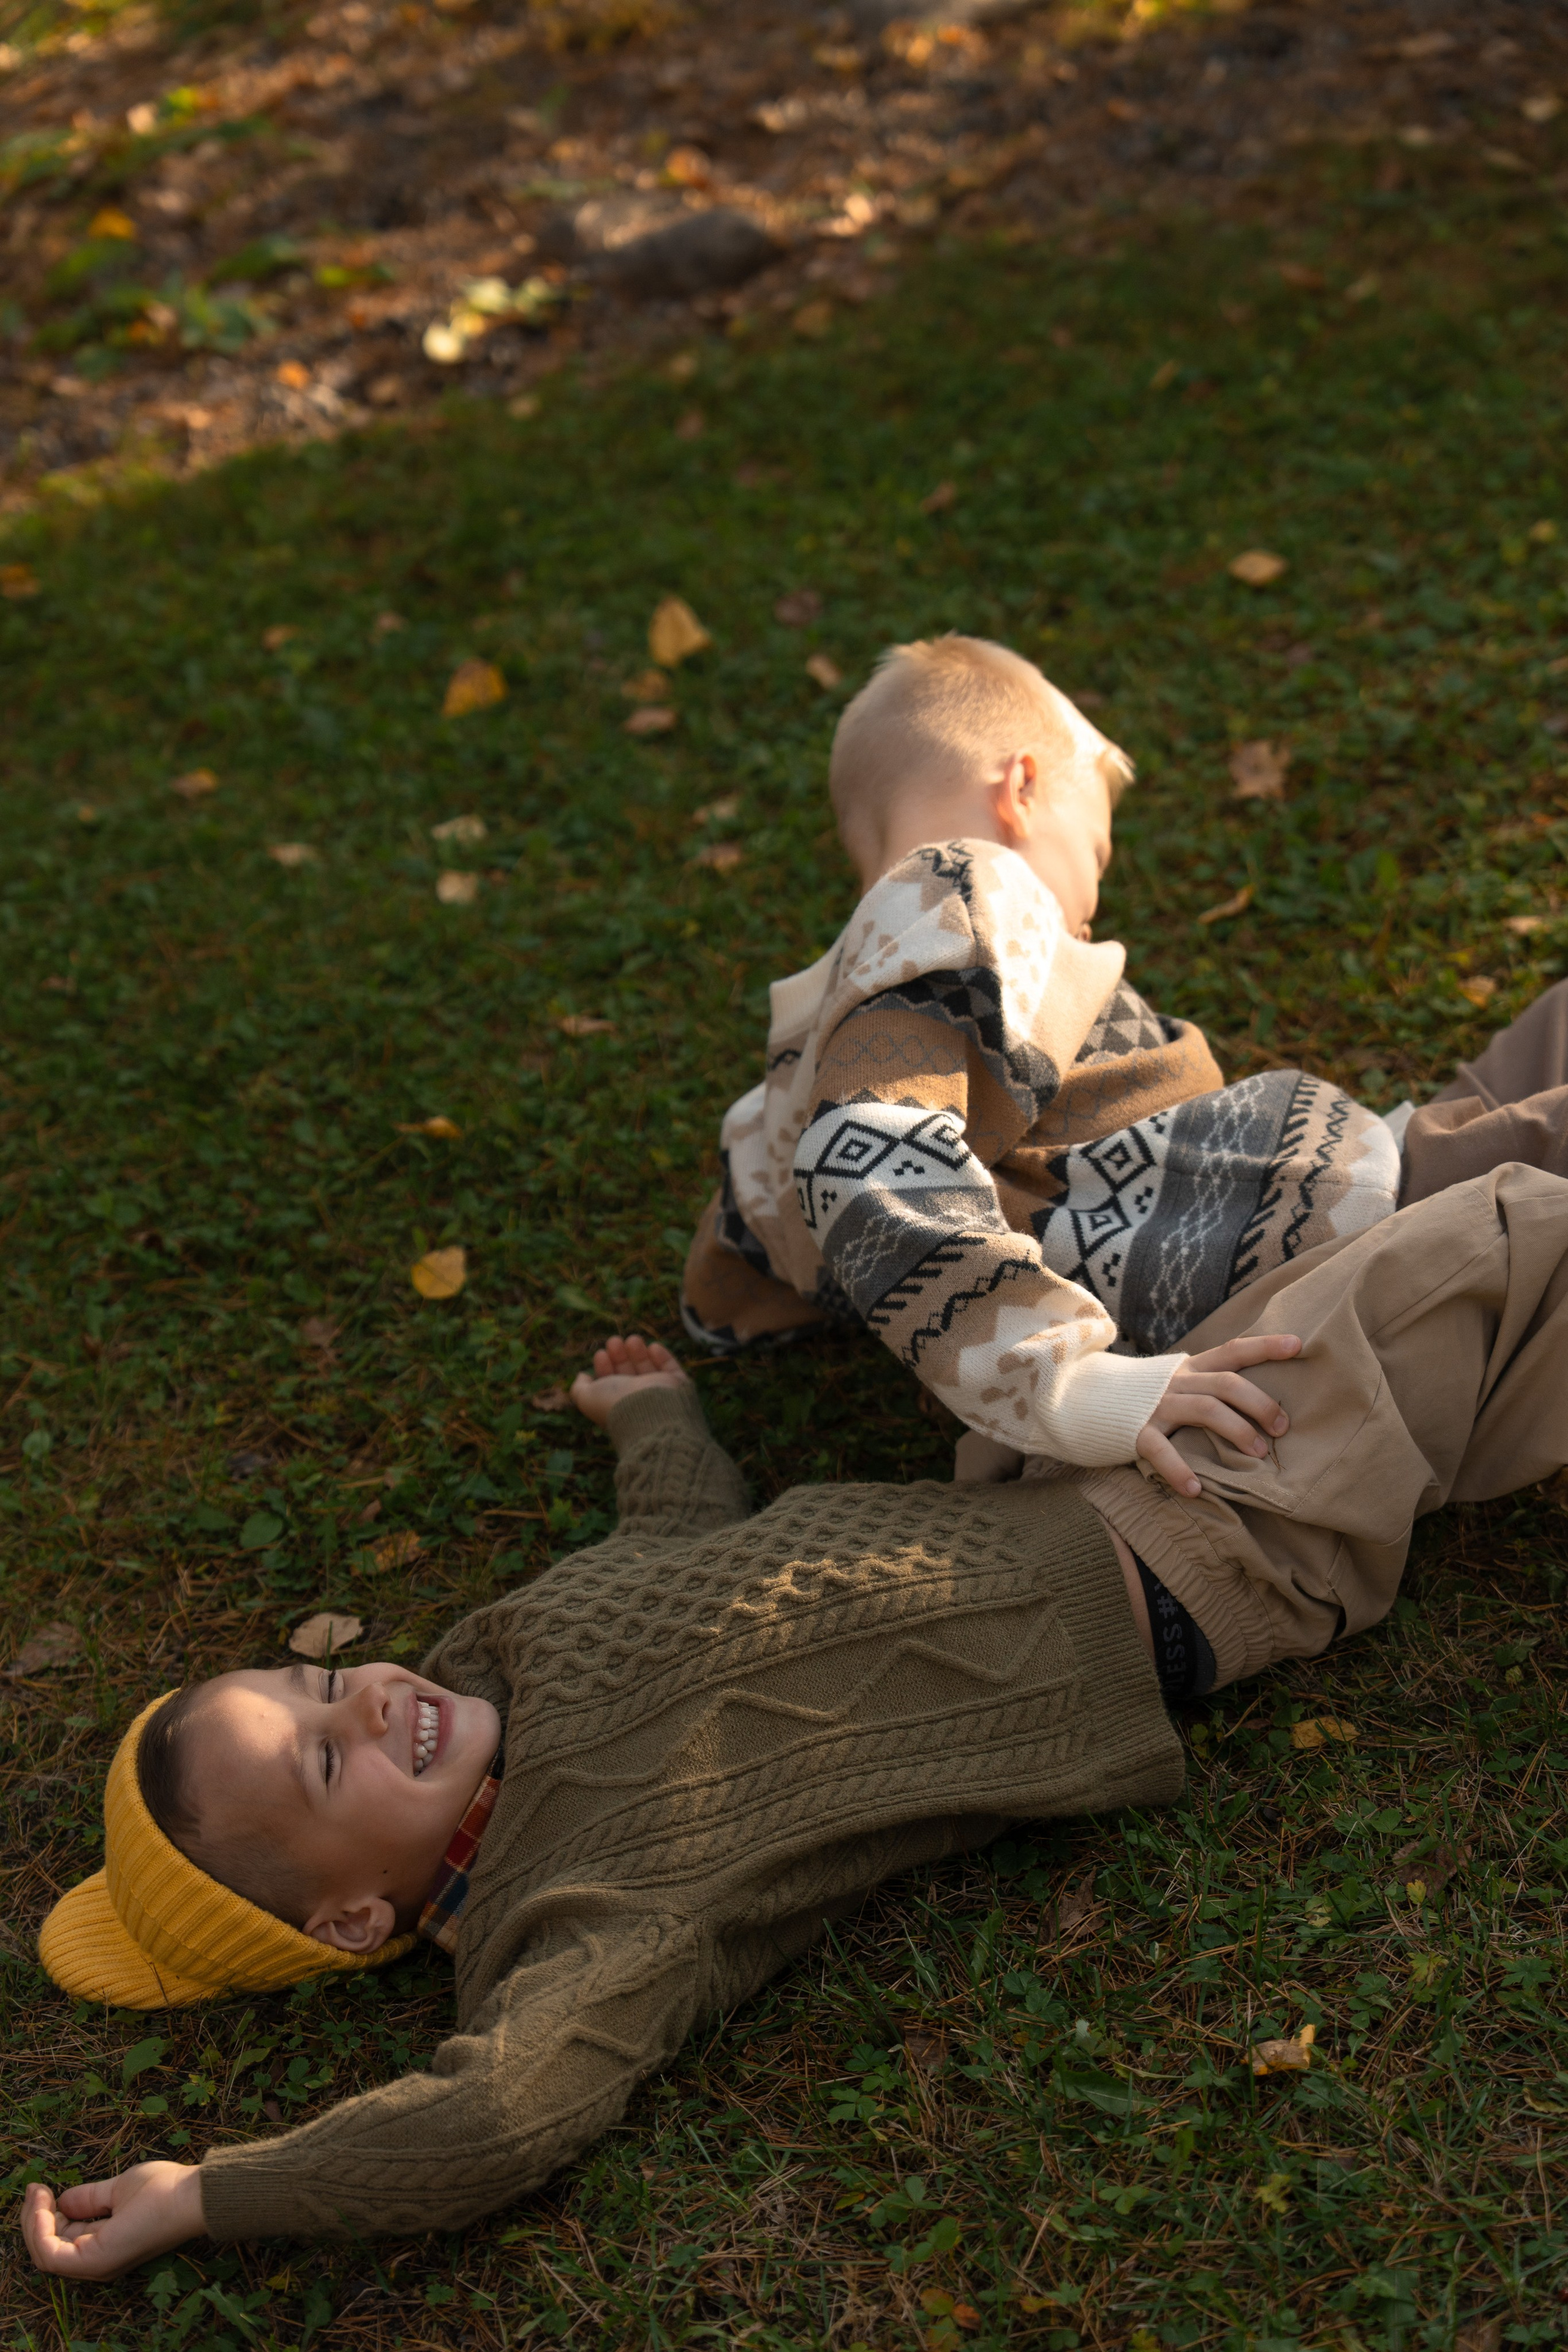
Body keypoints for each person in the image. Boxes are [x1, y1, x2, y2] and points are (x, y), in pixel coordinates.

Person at [22, 1163, 1568, 2278]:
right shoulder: (587, 1903)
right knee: (1495, 1246)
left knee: (1430, 1191)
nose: (361, 1698)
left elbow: (674, 1552)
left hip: (1052, 1458)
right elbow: (486, 2120)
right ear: (358, 1919)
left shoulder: (506, 1656)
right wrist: (211, 2193)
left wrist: (655, 1422)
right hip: (1190, 1555)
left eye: (312, 1684)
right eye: (323, 1757)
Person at [680, 632, 1568, 1491]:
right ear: (1021, 790)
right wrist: (1062, 1382)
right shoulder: (964, 884)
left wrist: (725, 1315)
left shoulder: (796, 1074)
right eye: (1096, 855)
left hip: (1310, 1203)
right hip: (1325, 1226)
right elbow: (865, 1162)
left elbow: (753, 1251)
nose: (1091, 911)